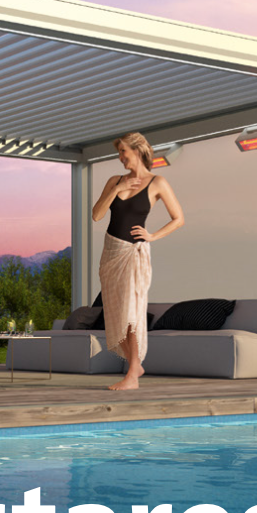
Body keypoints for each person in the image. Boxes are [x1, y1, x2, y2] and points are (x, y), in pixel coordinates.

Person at [90, 131, 186, 390]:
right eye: (119, 152)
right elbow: (97, 215)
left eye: (123, 151)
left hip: (134, 254)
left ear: (138, 150)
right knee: (115, 313)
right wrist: (118, 189)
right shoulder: (115, 181)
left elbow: (179, 218)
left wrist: (152, 236)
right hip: (110, 253)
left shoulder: (157, 182)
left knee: (131, 312)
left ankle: (132, 374)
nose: (120, 157)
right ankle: (136, 363)